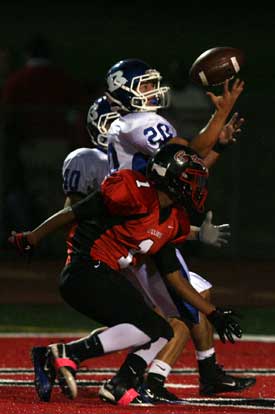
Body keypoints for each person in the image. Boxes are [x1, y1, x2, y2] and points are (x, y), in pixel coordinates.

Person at [8, 144, 243, 406]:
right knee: (148, 327)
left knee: (161, 330)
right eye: (191, 180)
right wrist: (33, 237)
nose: (198, 188)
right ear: (172, 179)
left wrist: (213, 313)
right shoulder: (133, 191)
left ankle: (120, 383)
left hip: (104, 274)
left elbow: (175, 278)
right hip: (84, 269)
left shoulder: (173, 219)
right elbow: (73, 213)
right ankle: (69, 354)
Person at [102, 58, 255, 399]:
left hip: (144, 224)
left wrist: (219, 145)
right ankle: (135, 379)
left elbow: (189, 169)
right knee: (177, 313)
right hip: (143, 229)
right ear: (123, 92)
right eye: (143, 85)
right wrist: (221, 112)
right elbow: (189, 154)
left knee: (191, 298)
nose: (152, 90)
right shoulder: (141, 123)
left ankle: (206, 371)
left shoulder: (128, 126)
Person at [1, 34, 88, 246]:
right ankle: (58, 243)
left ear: (27, 54)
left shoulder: (17, 80)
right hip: (61, 147)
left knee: (34, 195)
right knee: (59, 197)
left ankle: (39, 241)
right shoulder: (63, 79)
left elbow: (8, 117)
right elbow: (79, 113)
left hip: (30, 147)